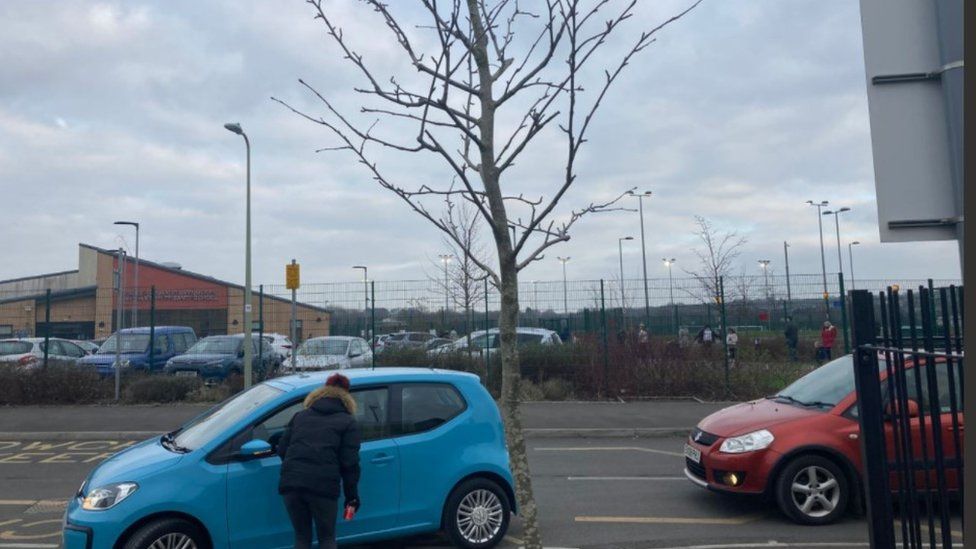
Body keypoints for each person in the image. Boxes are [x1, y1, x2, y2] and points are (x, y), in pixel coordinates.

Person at [278, 373, 361, 549]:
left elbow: (282, 450)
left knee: (301, 537)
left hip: (291, 485)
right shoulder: (348, 422)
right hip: (323, 487)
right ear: (347, 396)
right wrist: (351, 497)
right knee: (327, 538)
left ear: (322, 392)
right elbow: (349, 463)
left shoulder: (300, 416)